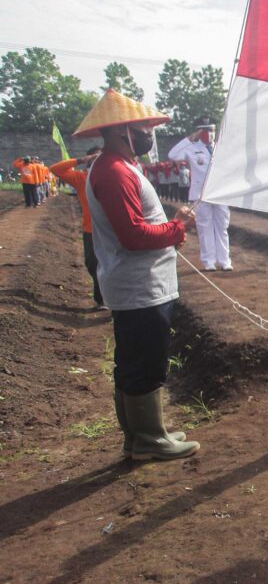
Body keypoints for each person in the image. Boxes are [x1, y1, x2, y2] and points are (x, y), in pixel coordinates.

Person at [74, 88, 200, 461]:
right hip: (139, 287)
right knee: (146, 361)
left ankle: (142, 435)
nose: (150, 134)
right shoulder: (113, 171)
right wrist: (176, 228)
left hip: (141, 283)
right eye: (144, 127)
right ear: (122, 131)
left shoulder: (122, 166)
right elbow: (132, 235)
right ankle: (148, 439)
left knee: (135, 360)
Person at [169, 116, 232, 271]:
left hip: (220, 192)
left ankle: (225, 261)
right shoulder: (191, 148)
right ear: (198, 132)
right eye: (205, 130)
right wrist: (190, 139)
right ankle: (209, 261)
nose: (209, 133)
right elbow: (173, 155)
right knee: (205, 227)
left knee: (222, 227)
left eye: (211, 130)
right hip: (201, 194)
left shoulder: (221, 147)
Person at [49, 147, 107, 309]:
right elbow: (55, 169)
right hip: (90, 230)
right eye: (95, 157)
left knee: (112, 264)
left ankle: (106, 299)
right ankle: (102, 298)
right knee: (92, 264)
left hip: (111, 230)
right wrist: (82, 159)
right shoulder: (81, 178)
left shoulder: (113, 177)